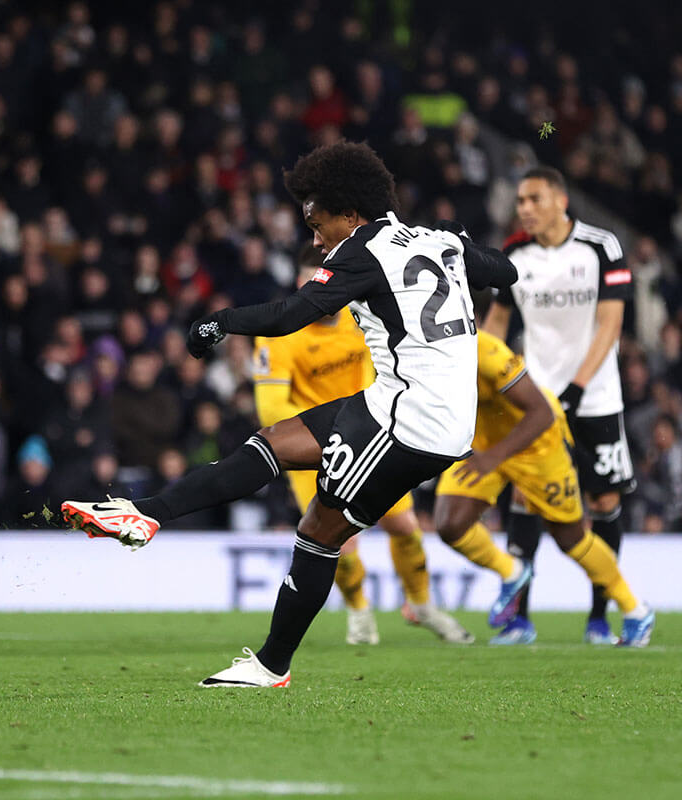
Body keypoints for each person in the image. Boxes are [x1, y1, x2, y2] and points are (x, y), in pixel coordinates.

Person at [62, 142, 517, 687]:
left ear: (351, 214)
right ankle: (144, 514)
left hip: (412, 416)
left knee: (320, 531)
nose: (315, 237)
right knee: (274, 441)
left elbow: (290, 315)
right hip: (404, 403)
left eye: (319, 222)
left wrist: (220, 321)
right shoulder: (435, 240)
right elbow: (506, 271)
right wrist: (461, 240)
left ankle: (272, 664)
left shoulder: (364, 250)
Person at [253, 246, 473, 645]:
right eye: (313, 284)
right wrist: (321, 434)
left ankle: (421, 605)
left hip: (370, 433)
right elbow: (271, 406)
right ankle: (359, 613)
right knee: (339, 538)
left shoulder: (360, 314)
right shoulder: (279, 335)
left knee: (405, 526)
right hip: (314, 447)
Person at [483, 166, 635, 645]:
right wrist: (485, 382)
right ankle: (520, 620)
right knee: (529, 496)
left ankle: (599, 617)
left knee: (604, 502)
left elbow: (610, 326)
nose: (523, 208)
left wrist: (576, 388)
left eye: (533, 199)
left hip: (596, 399)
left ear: (560, 200)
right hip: (537, 400)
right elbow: (498, 322)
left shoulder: (600, 247)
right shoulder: (513, 253)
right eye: (520, 201)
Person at [433, 326, 654, 646]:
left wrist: (493, 457)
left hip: (537, 444)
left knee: (571, 538)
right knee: (449, 523)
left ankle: (635, 610)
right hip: (484, 442)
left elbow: (542, 414)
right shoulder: (425, 352)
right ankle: (512, 571)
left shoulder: (489, 352)